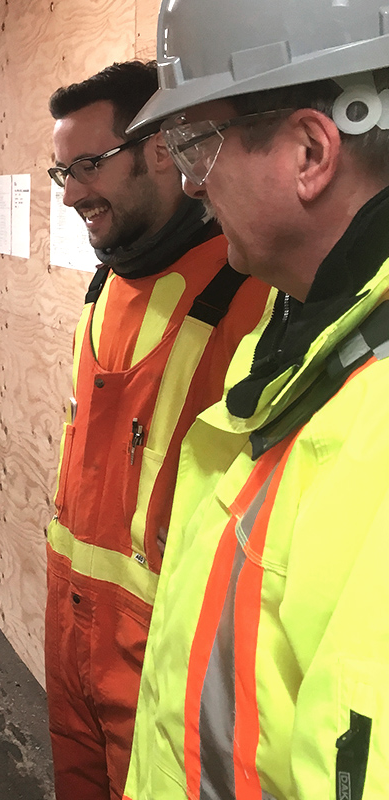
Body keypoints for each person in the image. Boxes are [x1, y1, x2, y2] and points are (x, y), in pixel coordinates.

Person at [121, 3, 389, 799]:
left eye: (199, 145)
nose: (193, 186)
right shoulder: (298, 335)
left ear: (311, 148)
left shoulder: (371, 409)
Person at [44, 61, 272, 799]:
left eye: (88, 165)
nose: (74, 191)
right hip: (72, 629)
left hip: (170, 654)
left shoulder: (254, 298)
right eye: (61, 173)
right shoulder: (104, 284)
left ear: (164, 149)